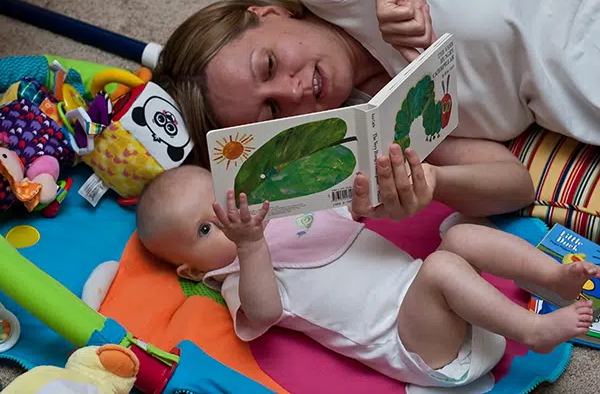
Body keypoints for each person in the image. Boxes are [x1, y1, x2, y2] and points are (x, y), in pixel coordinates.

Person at [136, 164, 597, 388]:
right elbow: (264, 311)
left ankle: (552, 278)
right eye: (204, 229)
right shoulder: (238, 272)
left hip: (453, 301)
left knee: (462, 237)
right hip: (415, 343)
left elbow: (355, 207)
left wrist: (360, 193)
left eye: (221, 204)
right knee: (440, 265)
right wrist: (250, 245)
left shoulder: (289, 215)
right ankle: (533, 331)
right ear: (191, 268)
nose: (226, 222)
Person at [153, 0, 543, 223]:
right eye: (272, 111)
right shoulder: (382, 128)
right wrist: (434, 181)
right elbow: (516, 186)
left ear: (268, 12)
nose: (293, 92)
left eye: (268, 65)